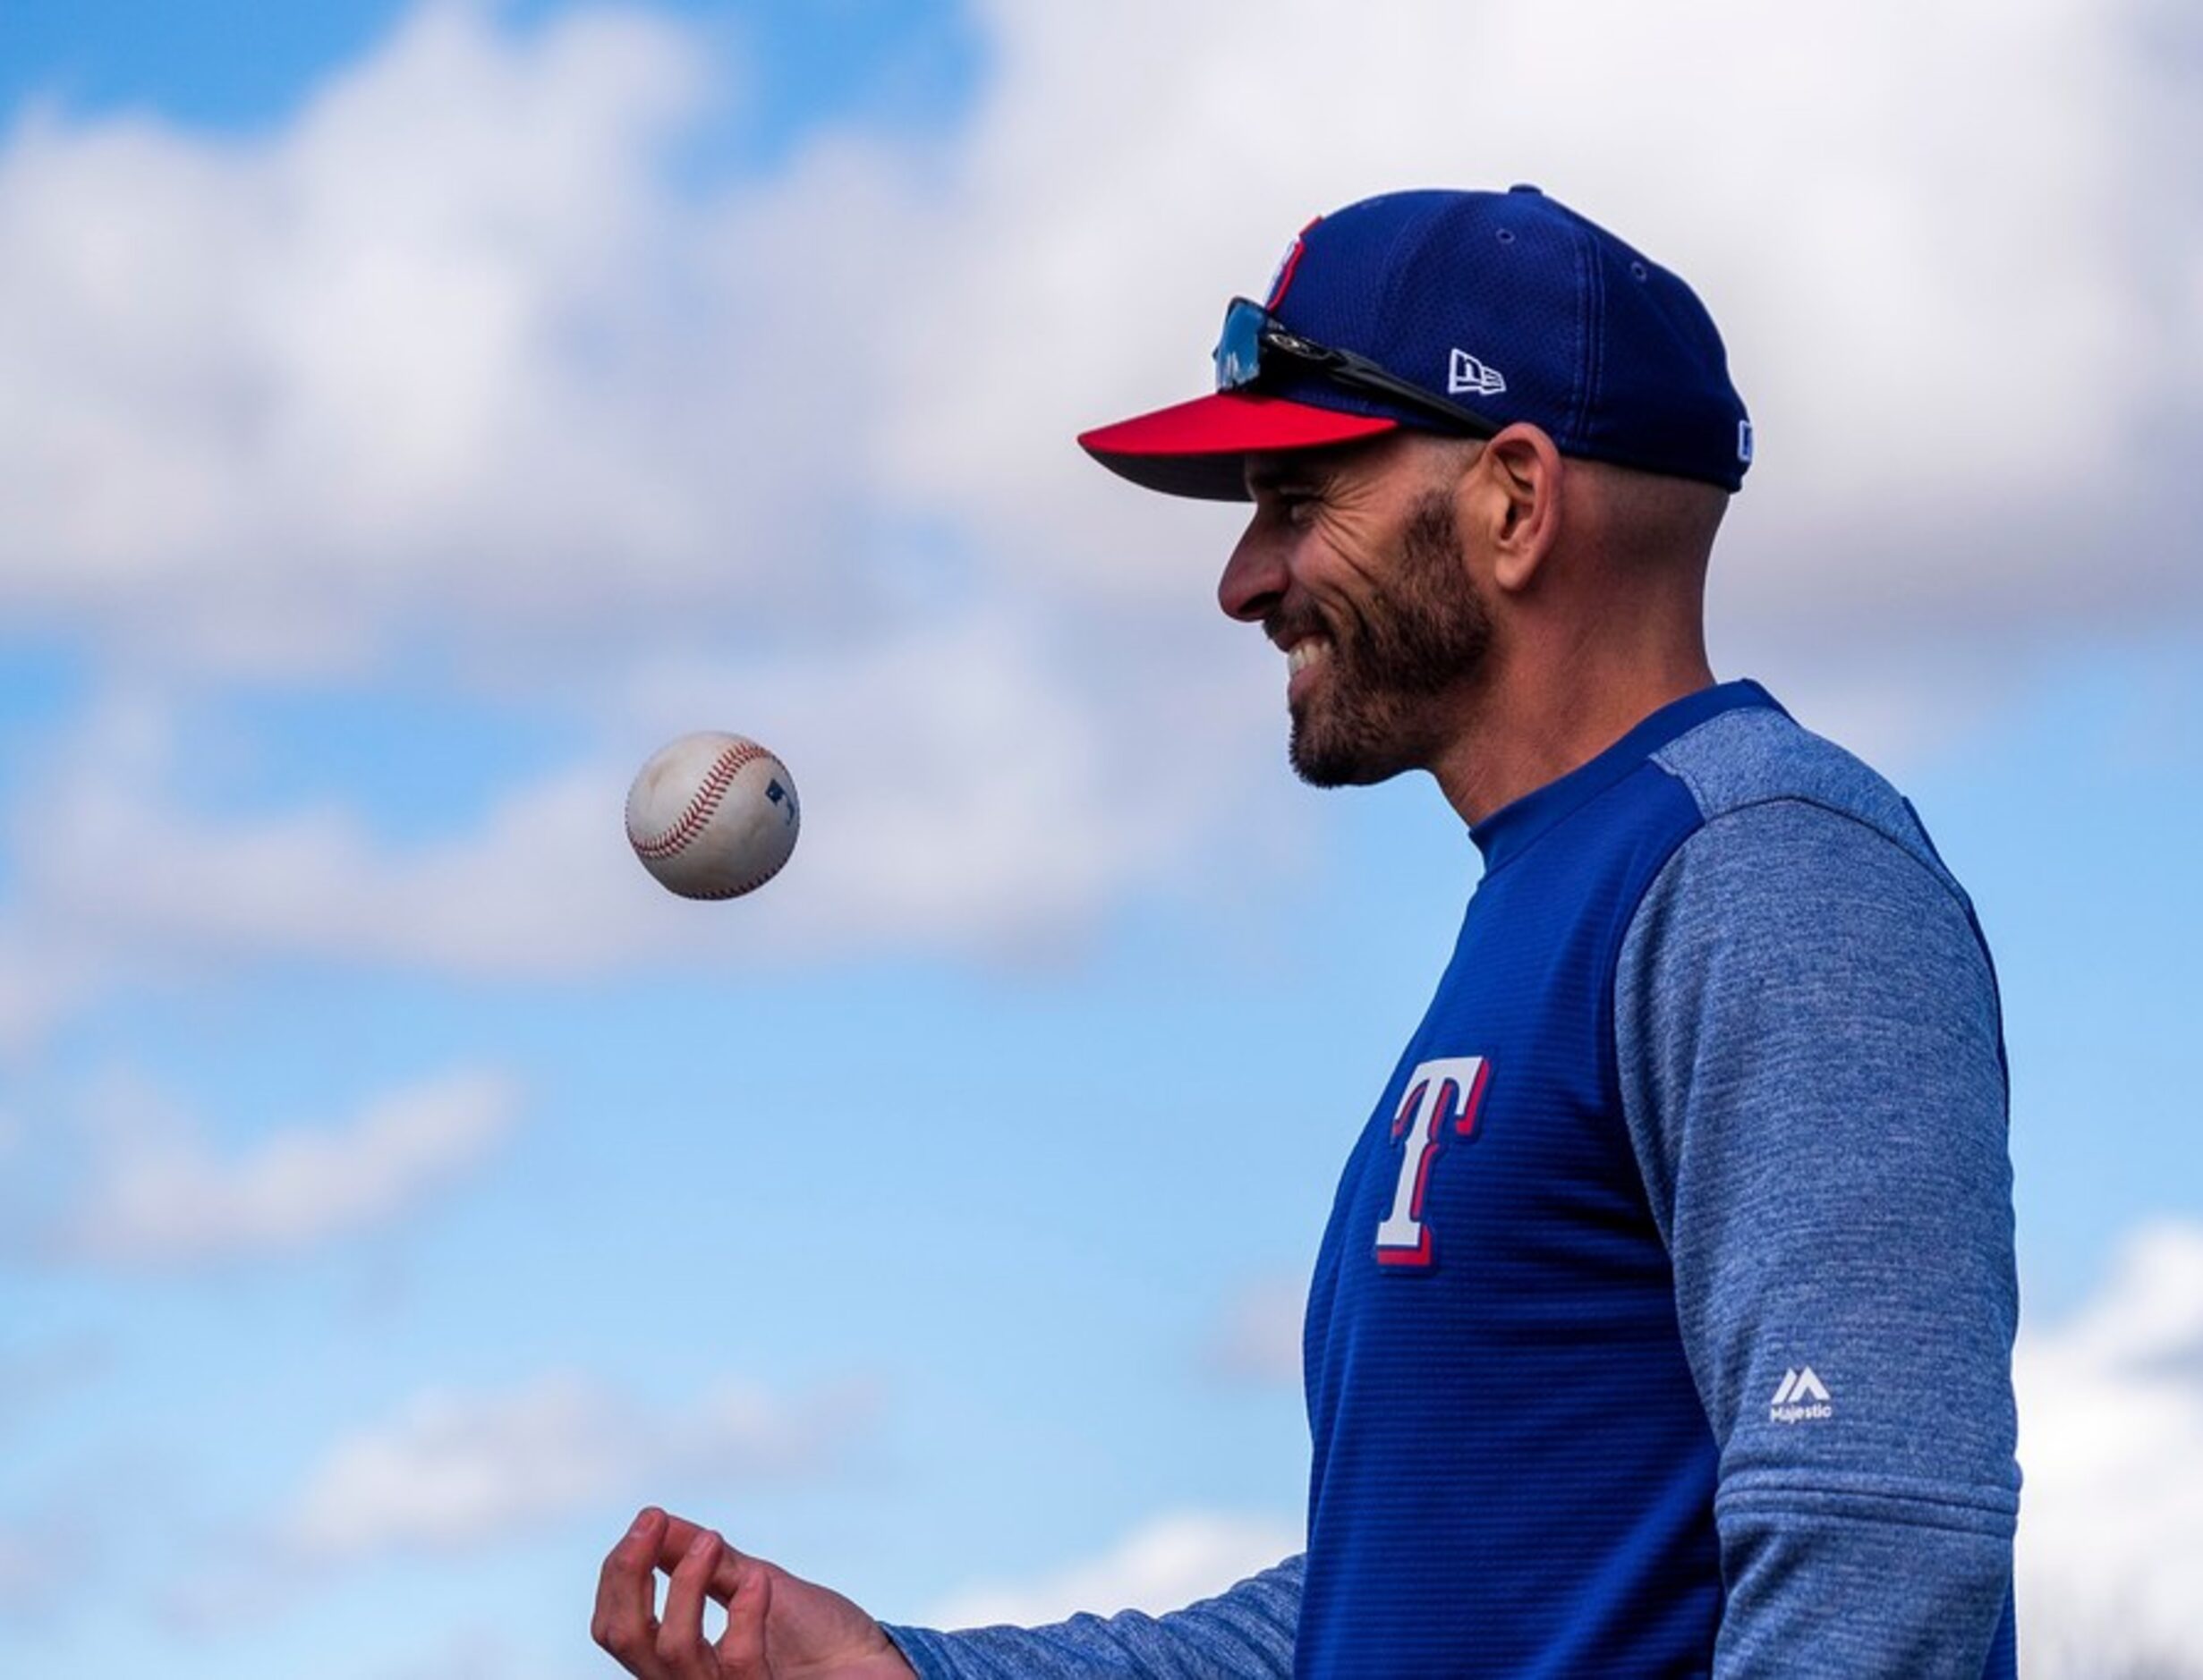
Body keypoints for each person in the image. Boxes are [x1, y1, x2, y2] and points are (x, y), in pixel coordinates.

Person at [591, 184, 2021, 1678]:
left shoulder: (1767, 871)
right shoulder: (1561, 897)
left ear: (1516, 503)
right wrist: (910, 1671)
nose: (1242, 579)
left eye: (1297, 500)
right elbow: (1396, 1599)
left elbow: (1881, 1551)